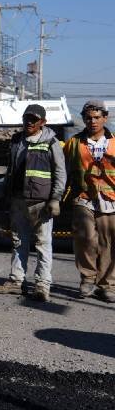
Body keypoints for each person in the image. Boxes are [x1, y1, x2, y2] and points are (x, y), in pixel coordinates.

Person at [0, 103, 67, 302]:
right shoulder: (17, 140)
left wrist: (55, 199)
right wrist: (6, 194)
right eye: (27, 118)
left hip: (41, 203)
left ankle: (42, 286)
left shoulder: (51, 142)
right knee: (18, 242)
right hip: (18, 200)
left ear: (43, 122)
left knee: (43, 244)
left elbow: (60, 173)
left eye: (34, 119)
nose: (29, 122)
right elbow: (11, 169)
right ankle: (17, 282)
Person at [63, 100, 115, 302]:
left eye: (96, 117)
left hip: (110, 199)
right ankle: (87, 279)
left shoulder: (114, 142)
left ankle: (107, 285)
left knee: (108, 243)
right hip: (83, 197)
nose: (92, 121)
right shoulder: (74, 143)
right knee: (85, 239)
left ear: (105, 118)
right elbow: (63, 170)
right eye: (88, 118)